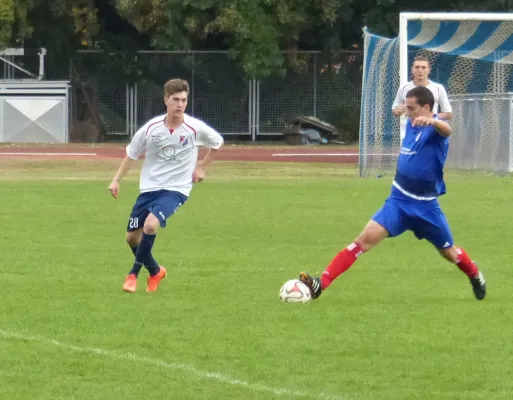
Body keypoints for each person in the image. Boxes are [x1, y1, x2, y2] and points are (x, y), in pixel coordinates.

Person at [299, 86, 486, 301]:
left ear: (426, 108)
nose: (406, 111)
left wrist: (434, 121)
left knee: (450, 253)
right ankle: (320, 284)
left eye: (411, 108)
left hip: (426, 207)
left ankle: (474, 274)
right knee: (362, 241)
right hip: (398, 200)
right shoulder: (412, 121)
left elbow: (447, 130)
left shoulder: (435, 130)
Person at [108, 78, 224, 293]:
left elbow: (217, 143)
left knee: (151, 225)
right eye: (176, 100)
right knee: (131, 238)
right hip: (149, 189)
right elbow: (131, 154)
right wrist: (116, 179)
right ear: (166, 100)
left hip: (176, 190)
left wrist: (202, 167)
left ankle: (132, 274)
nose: (180, 104)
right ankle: (155, 271)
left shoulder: (194, 127)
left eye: (184, 100)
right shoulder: (150, 129)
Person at [392, 56, 452, 141]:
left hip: (429, 134)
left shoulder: (438, 88)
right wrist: (399, 110)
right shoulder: (404, 88)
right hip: (408, 134)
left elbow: (448, 113)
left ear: (428, 70)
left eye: (423, 67)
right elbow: (395, 111)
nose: (420, 70)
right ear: (412, 70)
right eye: (417, 67)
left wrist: (430, 119)